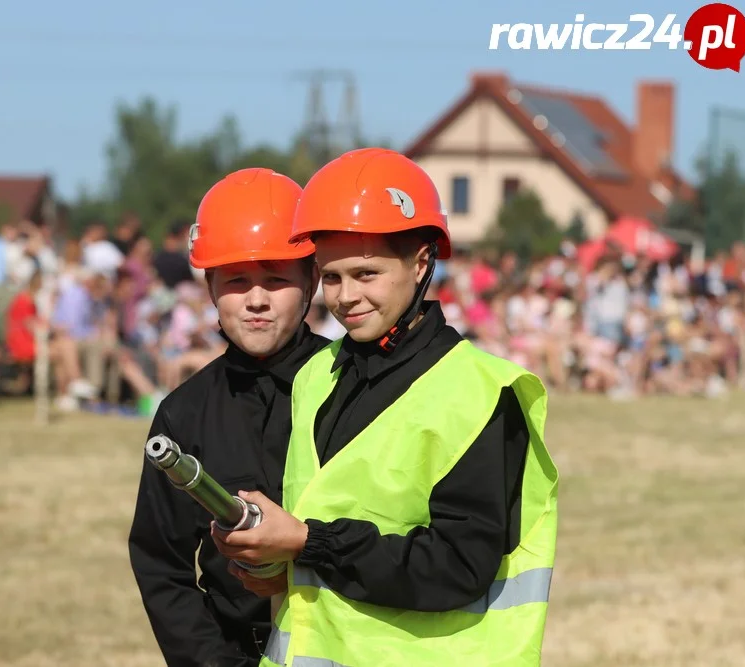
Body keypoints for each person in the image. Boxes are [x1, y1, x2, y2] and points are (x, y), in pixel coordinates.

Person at [211, 148, 559, 667]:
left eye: (366, 273)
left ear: (421, 263)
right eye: (330, 277)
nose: (345, 296)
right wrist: (274, 561)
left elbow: (457, 567)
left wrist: (309, 543)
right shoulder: (315, 376)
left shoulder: (483, 392)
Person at [128, 168, 330, 667]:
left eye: (277, 279)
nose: (256, 299)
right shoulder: (184, 413)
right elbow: (161, 564)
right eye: (237, 280)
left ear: (312, 281)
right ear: (210, 285)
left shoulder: (360, 386)